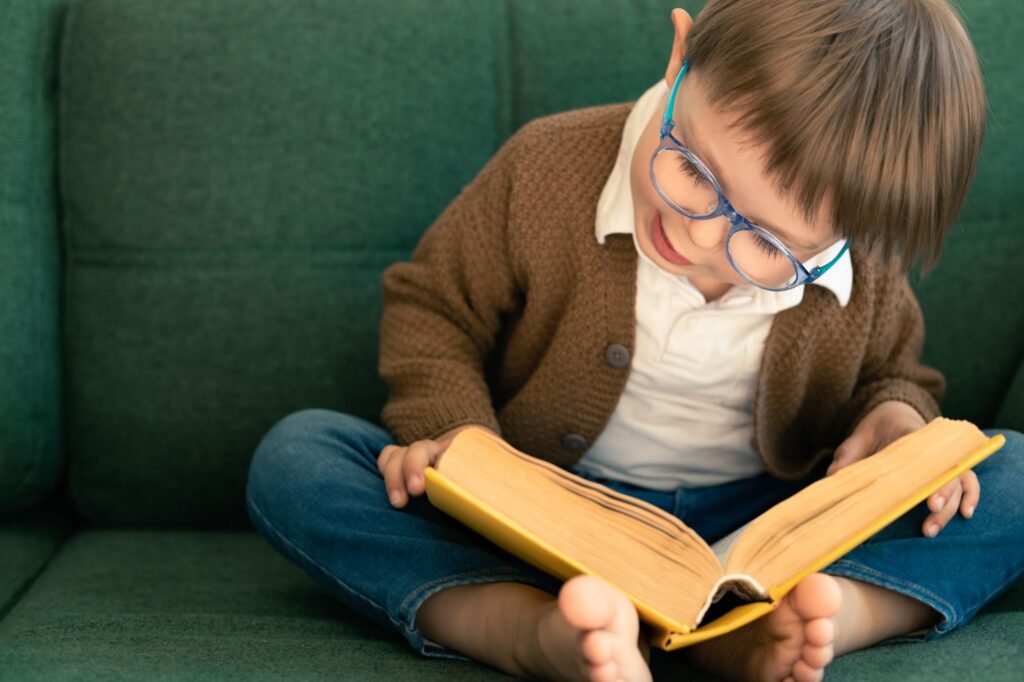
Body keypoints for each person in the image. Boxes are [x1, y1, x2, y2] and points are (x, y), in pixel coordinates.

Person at [245, 2, 1024, 680]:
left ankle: (821, 615)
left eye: (763, 242)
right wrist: (456, 438)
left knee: (1008, 472)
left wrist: (898, 424)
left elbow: (895, 374)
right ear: (681, 57)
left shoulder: (863, 267)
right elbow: (433, 307)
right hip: (543, 513)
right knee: (297, 456)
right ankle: (516, 625)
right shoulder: (547, 167)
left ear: (841, 237)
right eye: (689, 164)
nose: (695, 230)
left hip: (760, 528)